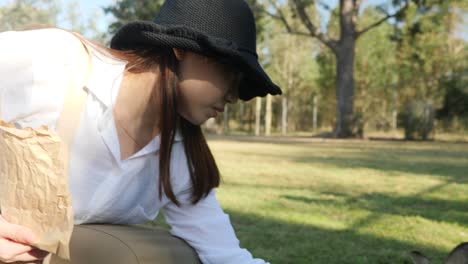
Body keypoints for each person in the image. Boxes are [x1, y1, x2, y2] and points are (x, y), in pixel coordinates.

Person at [0, 0, 282, 263]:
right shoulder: (53, 61)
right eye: (231, 72)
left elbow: (225, 255)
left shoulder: (180, 154)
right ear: (180, 49)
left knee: (171, 255)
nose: (234, 95)